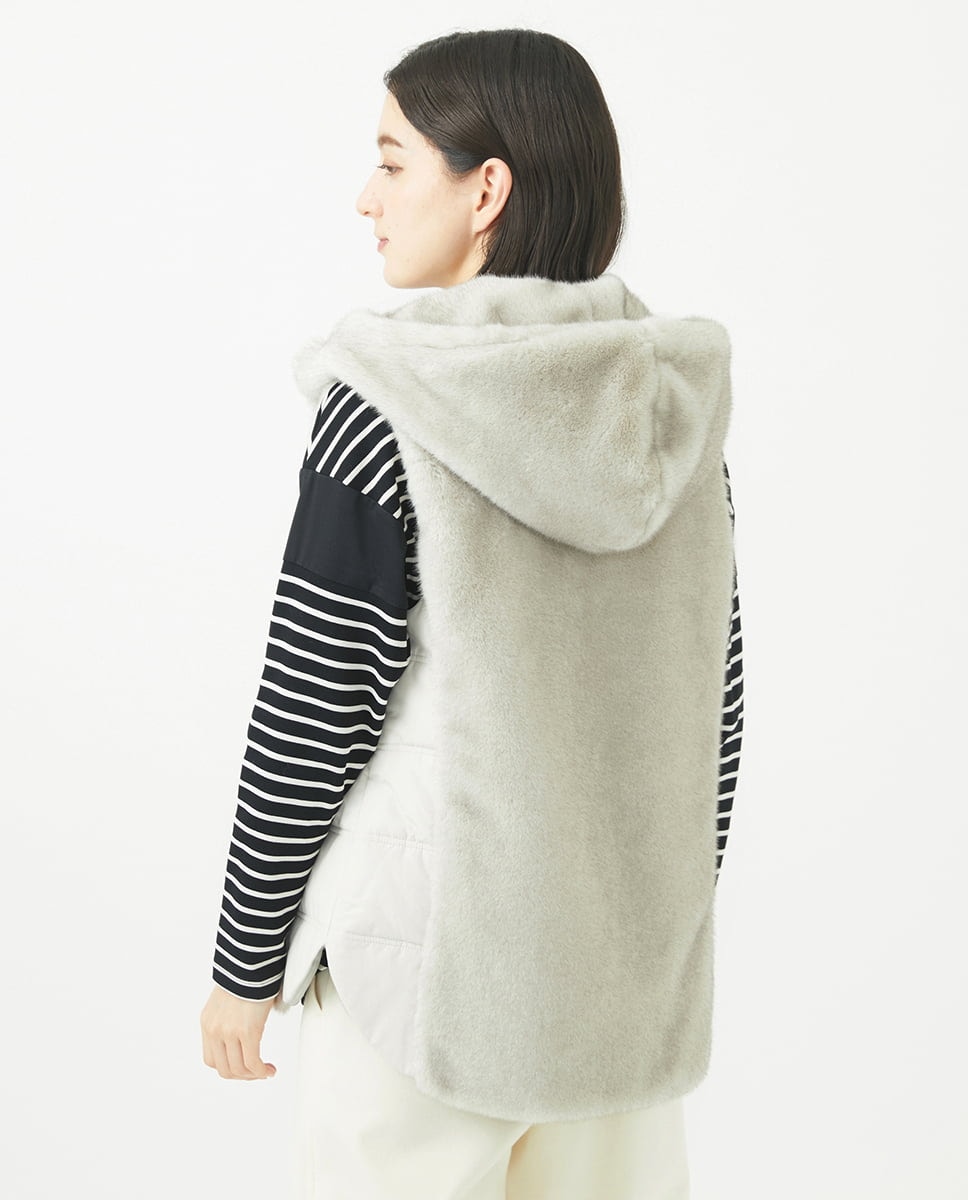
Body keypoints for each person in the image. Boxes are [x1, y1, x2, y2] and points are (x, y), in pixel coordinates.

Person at [200, 27, 742, 1200]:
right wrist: (652, 940)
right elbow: (714, 711)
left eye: (392, 161)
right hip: (615, 1009)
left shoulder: (384, 406)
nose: (366, 196)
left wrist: (245, 959)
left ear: (484, 188)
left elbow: (313, 706)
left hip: (420, 988)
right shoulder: (668, 415)